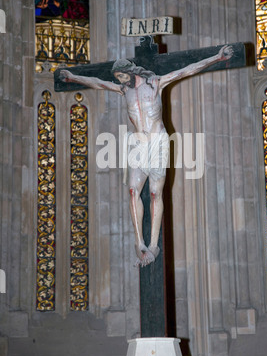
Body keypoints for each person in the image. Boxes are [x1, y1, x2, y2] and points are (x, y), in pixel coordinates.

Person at [60, 44, 233, 267]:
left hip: (158, 143)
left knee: (154, 193)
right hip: (139, 144)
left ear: (132, 71)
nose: (122, 80)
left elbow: (188, 69)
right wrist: (74, 77)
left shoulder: (155, 82)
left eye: (123, 75)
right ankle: (139, 242)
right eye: (119, 77)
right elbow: (98, 83)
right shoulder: (124, 91)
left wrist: (216, 58)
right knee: (132, 190)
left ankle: (153, 244)